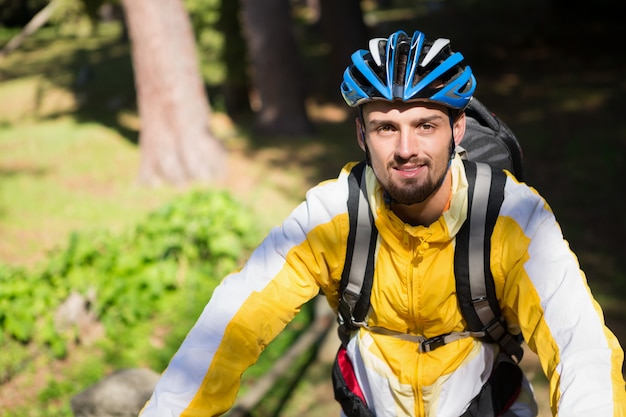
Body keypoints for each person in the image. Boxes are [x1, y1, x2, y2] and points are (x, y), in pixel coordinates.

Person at [138, 29, 626, 417]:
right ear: (361, 134)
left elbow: (580, 347)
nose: (406, 148)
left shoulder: (512, 217)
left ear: (458, 129)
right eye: (386, 127)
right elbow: (231, 325)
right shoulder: (331, 216)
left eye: (425, 125)